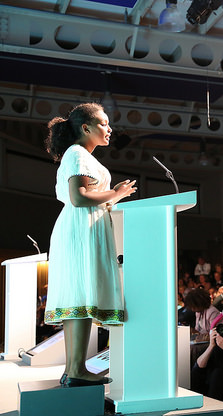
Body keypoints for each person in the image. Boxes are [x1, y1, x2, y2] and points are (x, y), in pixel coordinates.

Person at [43, 103, 137, 387]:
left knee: (80, 295)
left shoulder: (79, 154)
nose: (110, 129)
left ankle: (74, 369)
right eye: (104, 123)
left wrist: (114, 196)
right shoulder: (77, 153)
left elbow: (87, 198)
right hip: (80, 228)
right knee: (82, 294)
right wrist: (115, 191)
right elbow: (80, 197)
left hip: (84, 226)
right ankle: (76, 369)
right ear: (86, 128)